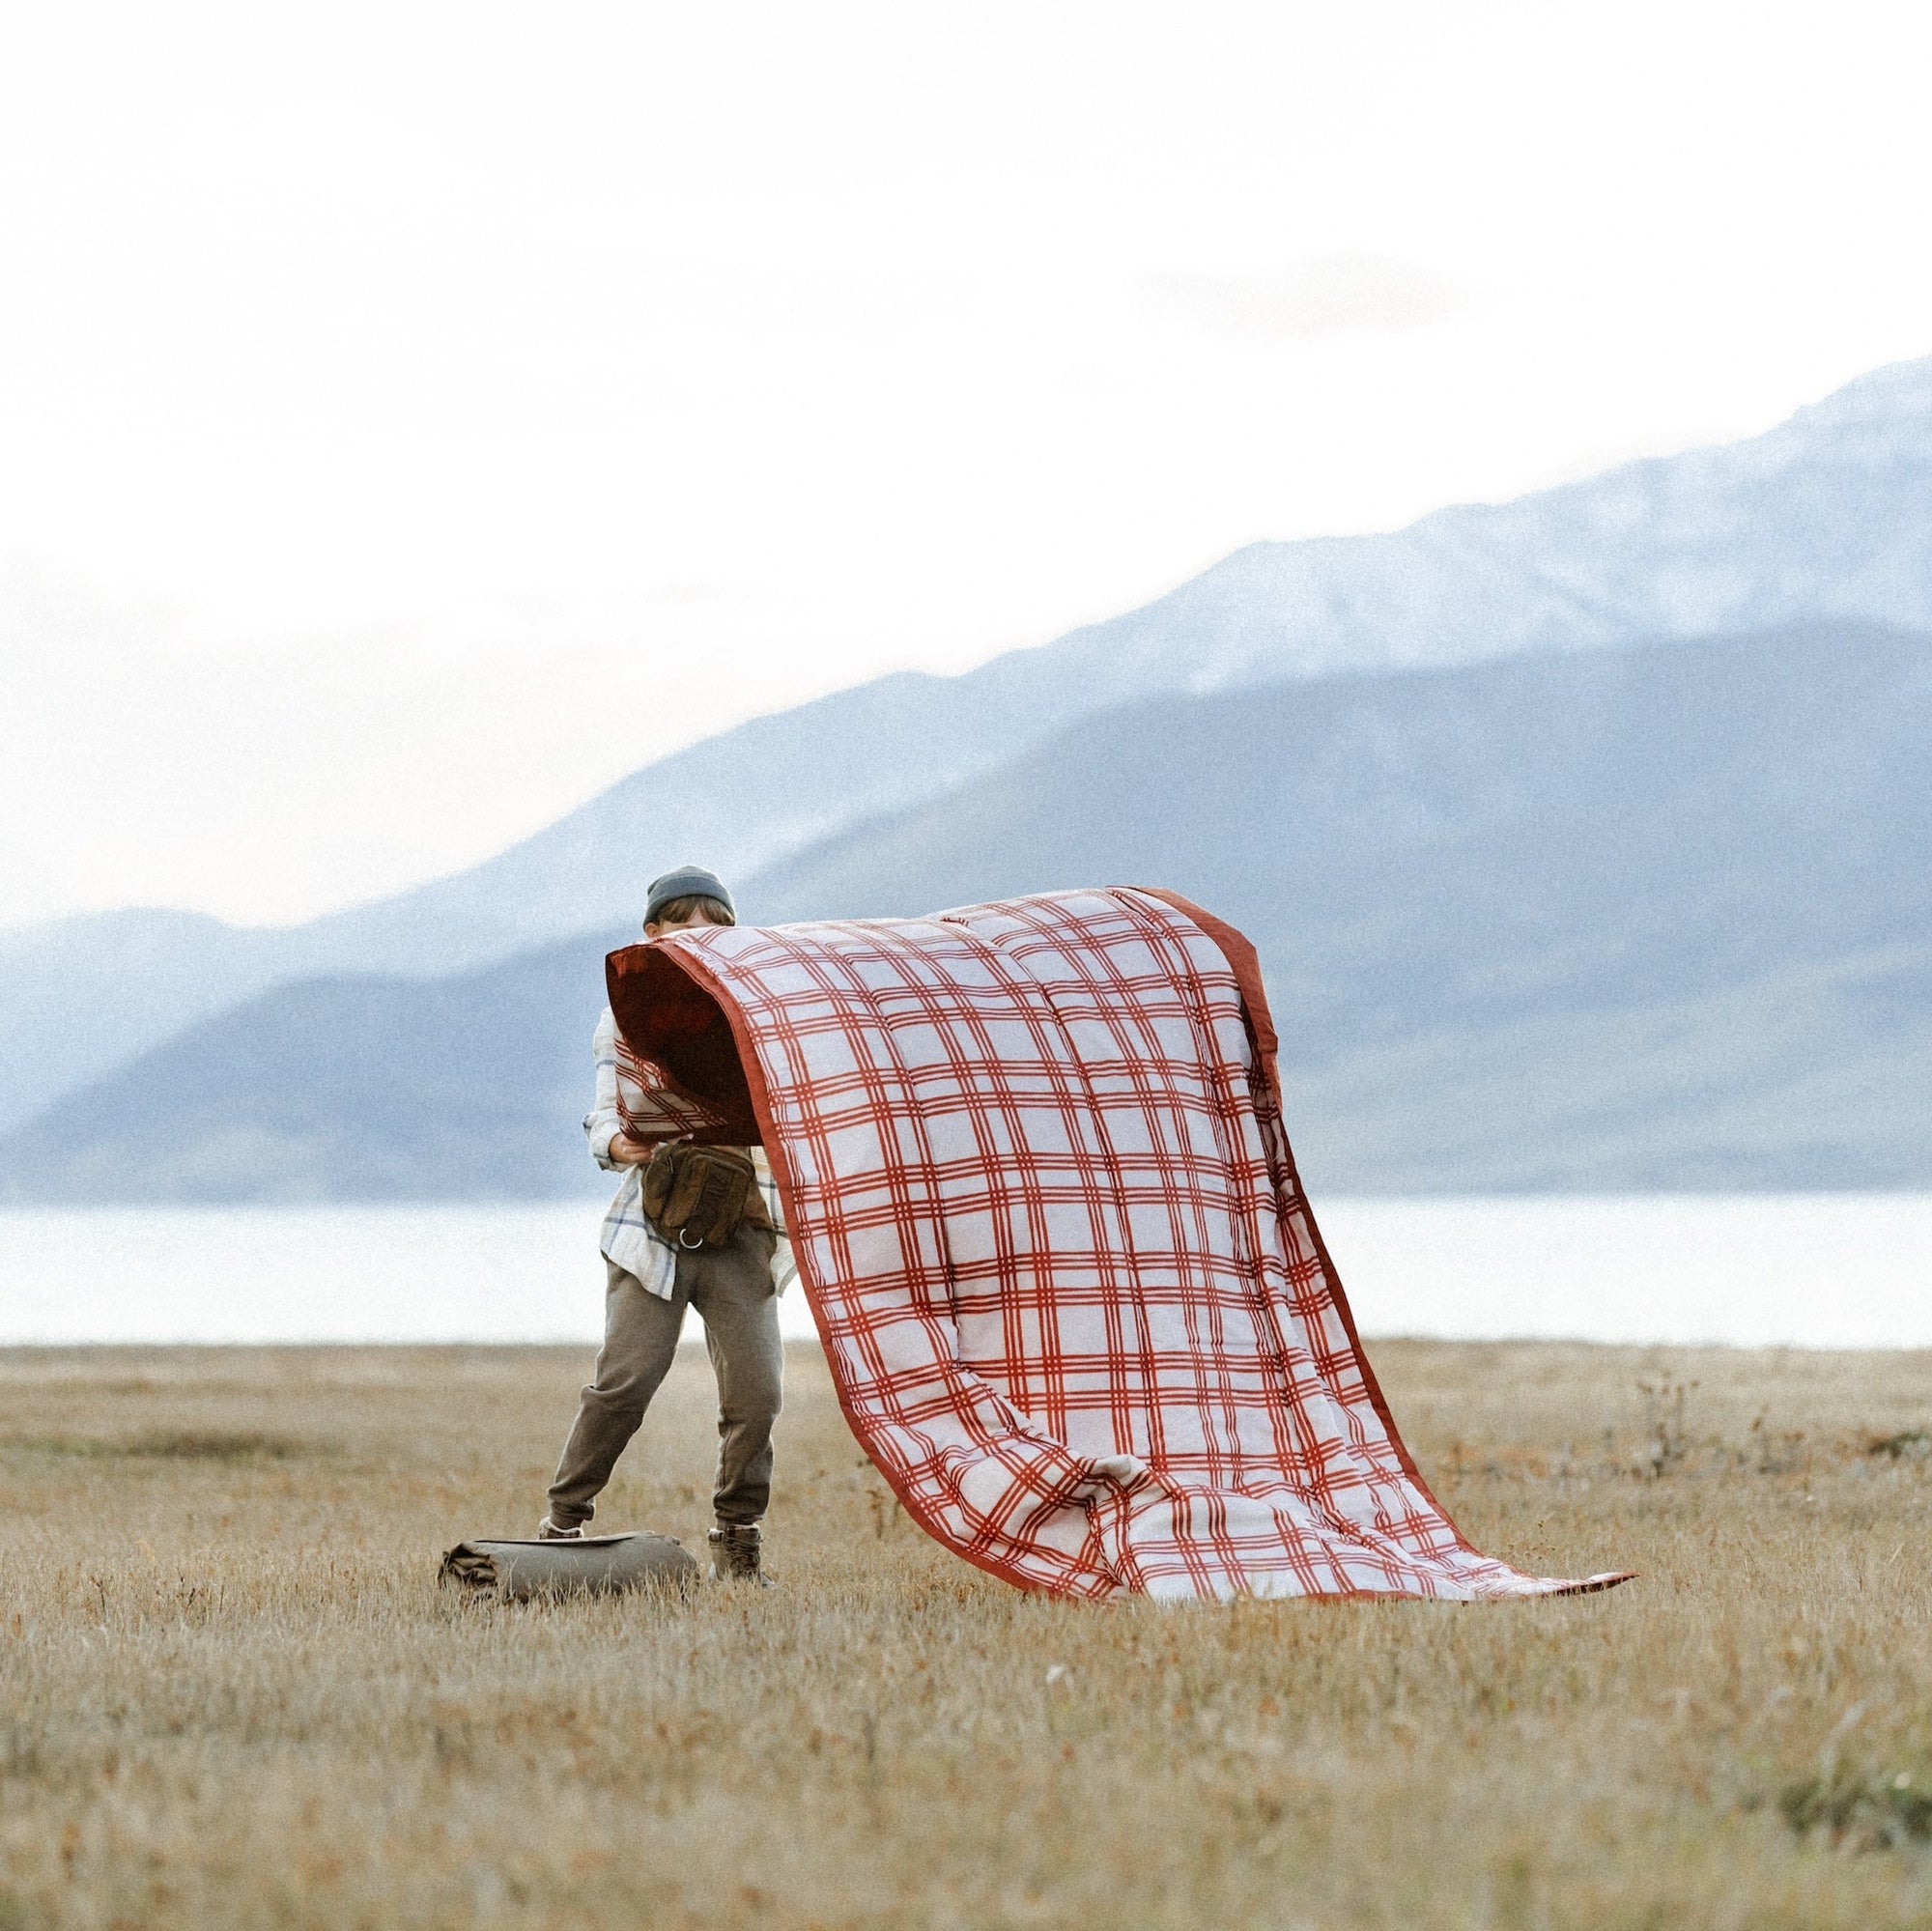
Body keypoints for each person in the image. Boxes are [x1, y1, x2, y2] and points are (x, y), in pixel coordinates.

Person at [539, 865, 792, 1585]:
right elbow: (604, 1121)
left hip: (743, 1224)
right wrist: (624, 1146)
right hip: (653, 1223)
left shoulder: (760, 1008)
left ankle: (737, 1542)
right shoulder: (626, 1014)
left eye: (713, 920)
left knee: (758, 1395)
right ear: (653, 933)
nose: (698, 931)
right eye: (682, 919)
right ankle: (561, 1524)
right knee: (624, 1385)